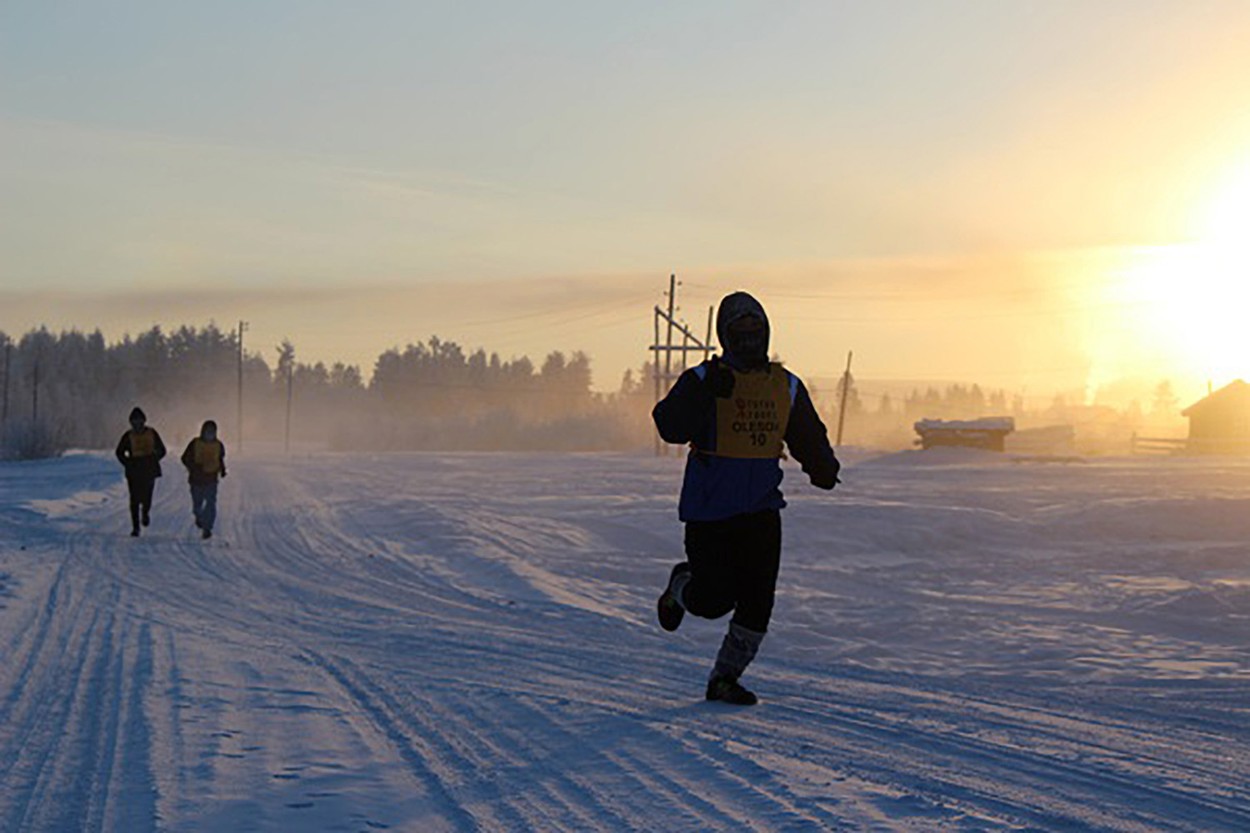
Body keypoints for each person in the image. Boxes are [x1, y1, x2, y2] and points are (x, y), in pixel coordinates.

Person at [652, 291, 840, 705]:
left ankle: (725, 679)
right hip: (710, 512)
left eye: (756, 333)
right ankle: (682, 586)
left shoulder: (785, 385)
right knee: (714, 600)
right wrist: (704, 397)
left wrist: (821, 465)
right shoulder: (702, 380)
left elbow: (806, 431)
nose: (750, 342)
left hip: (761, 511)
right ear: (725, 337)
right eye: (740, 334)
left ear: (767, 334)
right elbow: (668, 426)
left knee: (758, 602)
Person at [115, 406, 167, 537]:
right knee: (134, 500)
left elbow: (162, 449)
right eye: (134, 421)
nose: (137, 424)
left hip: (149, 469)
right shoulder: (128, 436)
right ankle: (136, 527)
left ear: (144, 421)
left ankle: (145, 512)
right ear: (131, 423)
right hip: (134, 470)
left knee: (147, 497)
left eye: (139, 421)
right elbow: (119, 452)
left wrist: (155, 458)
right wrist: (127, 462)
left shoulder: (152, 433)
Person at [180, 420, 227, 540]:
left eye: (212, 432)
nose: (210, 434)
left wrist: (222, 470)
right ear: (203, 431)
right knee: (197, 504)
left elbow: (220, 459)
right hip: (196, 480)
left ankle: (208, 528)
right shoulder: (195, 443)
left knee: (211, 503)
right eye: (208, 432)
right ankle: (199, 517)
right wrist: (193, 467)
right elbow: (184, 458)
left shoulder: (218, 445)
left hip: (211, 478)